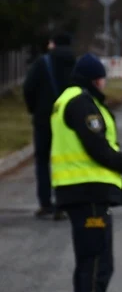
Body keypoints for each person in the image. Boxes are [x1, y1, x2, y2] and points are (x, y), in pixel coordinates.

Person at [51, 53, 122, 292]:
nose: (105, 83)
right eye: (102, 77)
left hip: (83, 193)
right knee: (95, 262)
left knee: (95, 262)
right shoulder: (81, 102)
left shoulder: (70, 99)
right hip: (87, 194)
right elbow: (98, 147)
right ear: (94, 78)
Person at [23, 32, 76, 219]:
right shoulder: (76, 63)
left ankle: (46, 203)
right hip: (70, 120)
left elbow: (28, 87)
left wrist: (34, 109)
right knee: (67, 159)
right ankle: (65, 201)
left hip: (44, 118)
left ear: (52, 44)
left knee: (43, 160)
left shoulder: (42, 63)